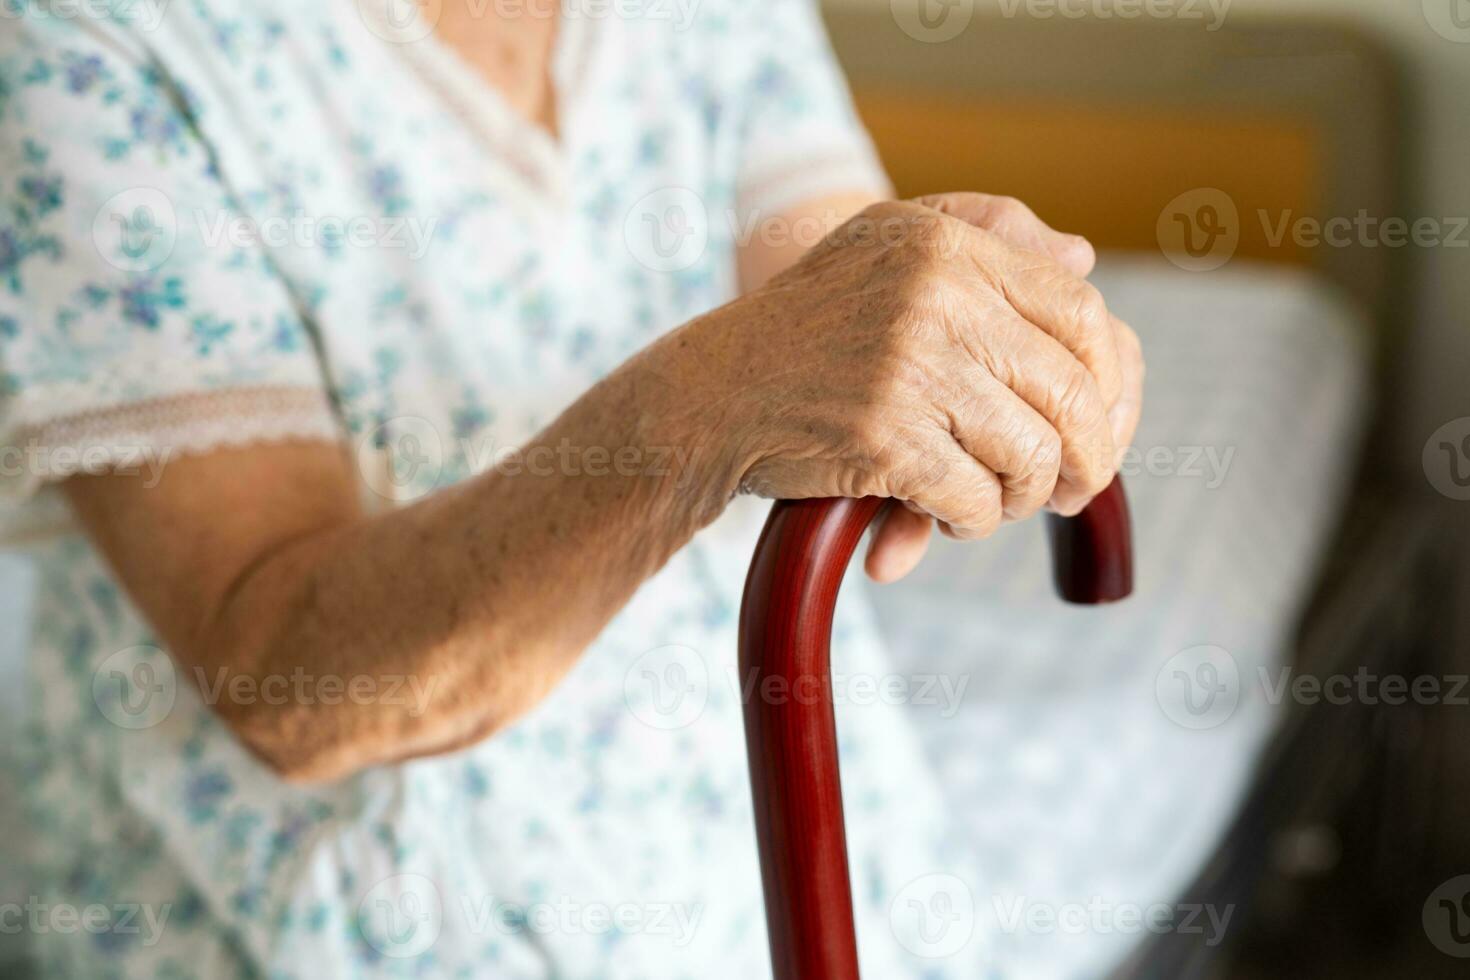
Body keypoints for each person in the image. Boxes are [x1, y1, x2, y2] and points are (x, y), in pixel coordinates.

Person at [0, 0, 1142, 976]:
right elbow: (279, 664)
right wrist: (713, 399)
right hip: (326, 907)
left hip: (763, 814)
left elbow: (833, 282)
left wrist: (965, 312)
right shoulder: (87, 38)